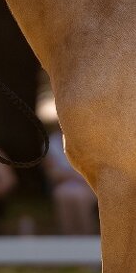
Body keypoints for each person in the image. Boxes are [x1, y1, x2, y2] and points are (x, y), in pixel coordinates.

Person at [39, 98, 97, 234]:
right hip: (65, 185)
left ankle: (86, 236)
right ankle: (69, 237)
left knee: (80, 198)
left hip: (87, 186)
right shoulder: (51, 143)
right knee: (63, 195)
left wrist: (74, 176)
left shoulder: (90, 142)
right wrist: (75, 176)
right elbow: (52, 173)